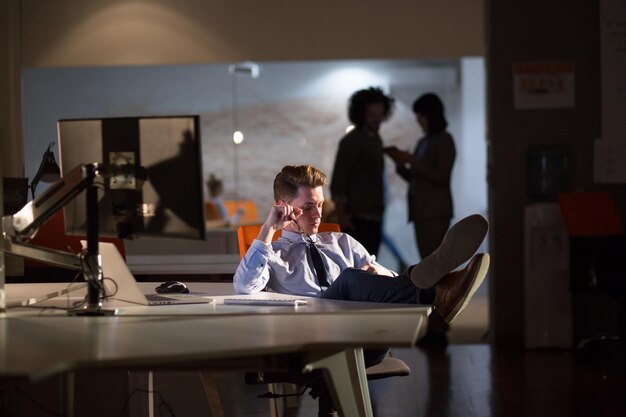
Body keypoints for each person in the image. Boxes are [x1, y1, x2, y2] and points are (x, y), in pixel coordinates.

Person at [233, 164, 489, 364]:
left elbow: (388, 286)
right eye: (308, 207)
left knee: (365, 277)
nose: (319, 214)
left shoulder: (341, 241)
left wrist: (381, 274)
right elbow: (244, 286)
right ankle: (438, 292)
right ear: (283, 208)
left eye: (321, 204)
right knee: (348, 280)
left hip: (366, 338)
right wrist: (269, 228)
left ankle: (434, 290)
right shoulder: (273, 253)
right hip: (313, 342)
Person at [384, 93, 456, 343]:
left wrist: (411, 160)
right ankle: (435, 326)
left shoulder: (443, 141)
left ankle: (439, 326)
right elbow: (419, 179)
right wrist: (402, 165)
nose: (419, 121)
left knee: (435, 270)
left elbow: (441, 178)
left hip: (434, 212)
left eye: (422, 116)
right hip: (423, 211)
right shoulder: (426, 141)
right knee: (430, 268)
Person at [330, 87, 395, 256]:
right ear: (361, 114)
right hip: (356, 216)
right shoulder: (352, 141)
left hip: (374, 214)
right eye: (372, 115)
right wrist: (342, 216)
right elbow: (339, 179)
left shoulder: (375, 139)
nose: (377, 120)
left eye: (380, 115)